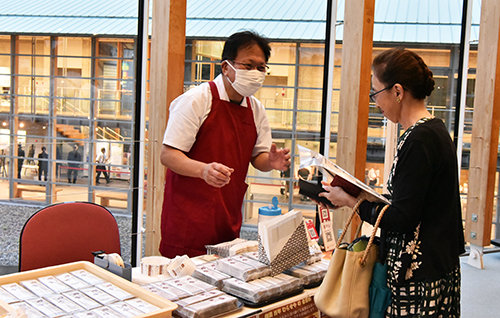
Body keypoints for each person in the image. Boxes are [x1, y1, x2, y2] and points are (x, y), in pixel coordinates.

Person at [319, 48, 465, 317]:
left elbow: (402, 218)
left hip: (418, 276)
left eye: (376, 93)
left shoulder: (418, 140)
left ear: (397, 91)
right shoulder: (434, 129)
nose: (376, 103)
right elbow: (416, 202)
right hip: (436, 265)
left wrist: (351, 200)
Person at [160, 31, 291, 258]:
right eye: (248, 65)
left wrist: (270, 162)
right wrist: (203, 170)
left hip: (226, 215)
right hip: (188, 217)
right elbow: (169, 155)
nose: (255, 73)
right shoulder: (197, 99)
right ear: (226, 67)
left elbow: (257, 157)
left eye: (261, 67)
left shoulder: (256, 109)